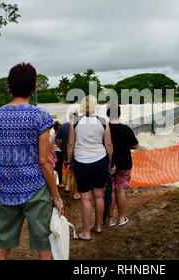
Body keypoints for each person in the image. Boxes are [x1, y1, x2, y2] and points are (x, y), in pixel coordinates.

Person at [0, 63, 64, 260]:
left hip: (5, 189)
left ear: (9, 87)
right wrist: (56, 196)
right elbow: (43, 161)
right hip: (35, 189)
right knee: (43, 244)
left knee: (1, 245)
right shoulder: (40, 116)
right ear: (35, 87)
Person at [66, 95, 113, 240]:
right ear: (95, 105)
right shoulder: (104, 121)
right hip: (100, 160)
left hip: (81, 162)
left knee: (86, 199)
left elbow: (70, 144)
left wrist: (68, 162)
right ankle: (98, 226)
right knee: (99, 195)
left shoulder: (75, 121)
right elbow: (109, 145)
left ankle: (85, 233)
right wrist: (110, 162)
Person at [105, 103, 138, 227]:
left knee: (110, 191)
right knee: (121, 190)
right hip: (124, 163)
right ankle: (121, 218)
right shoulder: (126, 129)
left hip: (108, 164)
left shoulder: (104, 129)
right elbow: (134, 145)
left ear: (107, 114)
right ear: (119, 113)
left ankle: (109, 220)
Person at [55, 110, 81, 200]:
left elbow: (57, 139)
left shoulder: (63, 126)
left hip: (66, 152)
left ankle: (68, 186)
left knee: (69, 169)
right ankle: (76, 193)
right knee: (77, 173)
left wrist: (62, 148)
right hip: (78, 152)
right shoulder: (79, 126)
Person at [51, 121, 65, 188]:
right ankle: (60, 182)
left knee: (54, 168)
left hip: (53, 153)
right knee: (60, 168)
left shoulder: (51, 135)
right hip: (59, 152)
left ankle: (54, 182)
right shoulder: (61, 136)